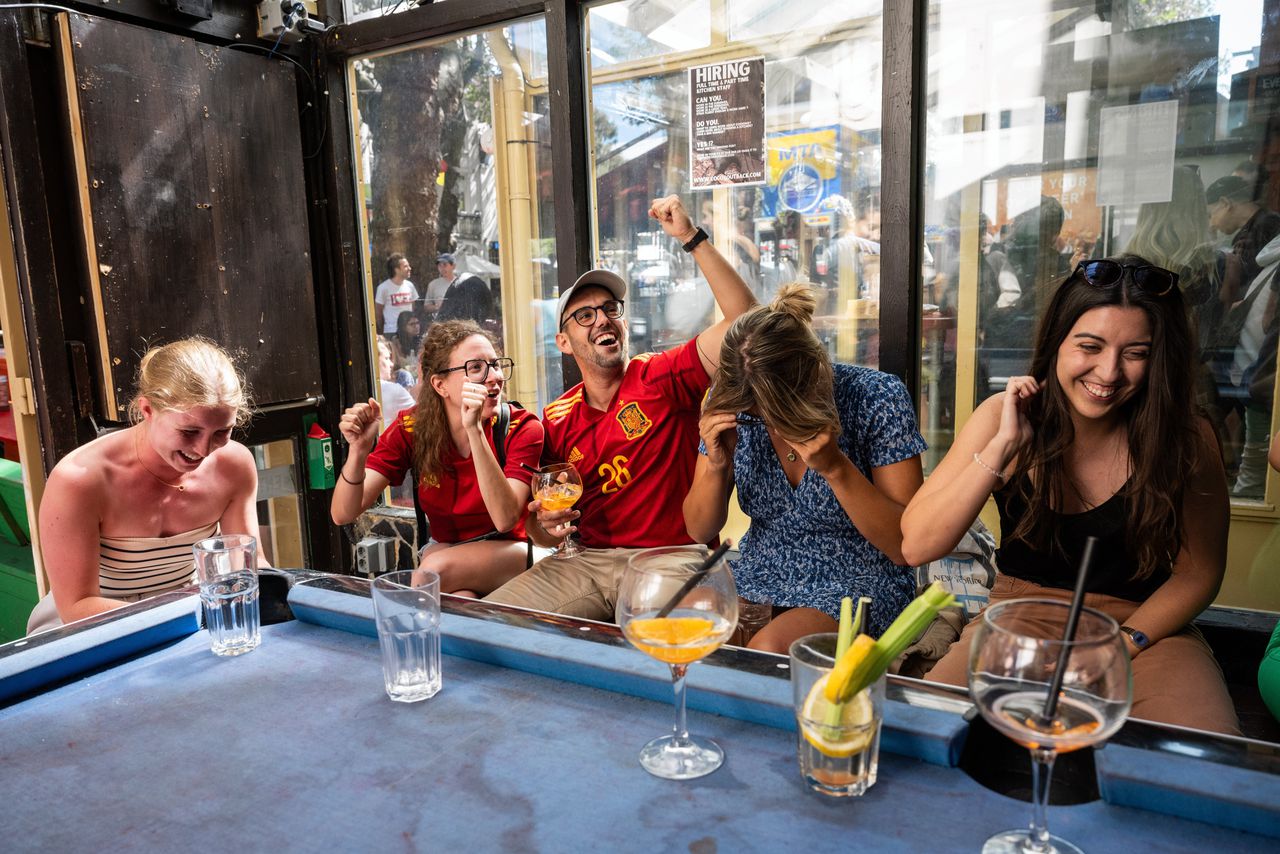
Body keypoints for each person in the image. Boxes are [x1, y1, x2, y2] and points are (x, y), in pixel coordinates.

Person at [901, 255, 1240, 735]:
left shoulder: (1186, 436)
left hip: (1145, 626)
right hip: (1019, 615)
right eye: (1090, 345)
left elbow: (1199, 572)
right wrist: (1001, 449)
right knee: (924, 734)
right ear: (1057, 341)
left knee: (1202, 761)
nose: (1108, 372)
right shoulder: (1003, 415)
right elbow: (917, 544)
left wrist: (1124, 643)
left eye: (1136, 353)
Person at [484, 194, 756, 619]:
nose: (603, 320)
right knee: (484, 621)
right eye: (585, 316)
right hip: (585, 563)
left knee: (670, 649)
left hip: (670, 557)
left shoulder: (660, 376)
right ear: (562, 342)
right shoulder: (555, 418)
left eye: (610, 309)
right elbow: (541, 527)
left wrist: (690, 236)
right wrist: (547, 527)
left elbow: (746, 321)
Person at [683, 285, 925, 654]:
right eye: (755, 414)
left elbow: (904, 547)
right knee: (685, 628)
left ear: (816, 372)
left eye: (780, 409)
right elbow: (699, 529)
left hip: (861, 578)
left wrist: (836, 469)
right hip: (760, 569)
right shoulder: (731, 405)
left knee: (770, 651)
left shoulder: (877, 396)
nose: (769, 423)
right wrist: (717, 465)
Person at [28, 338, 261, 633]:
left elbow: (249, 566)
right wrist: (188, 608)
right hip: (94, 626)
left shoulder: (234, 465)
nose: (203, 450)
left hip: (190, 615)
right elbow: (77, 606)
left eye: (222, 432)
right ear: (148, 409)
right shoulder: (80, 479)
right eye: (189, 431)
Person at [332, 321, 544, 598]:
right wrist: (358, 450)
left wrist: (474, 429)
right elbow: (342, 513)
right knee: (460, 601)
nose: (494, 377)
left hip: (512, 549)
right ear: (440, 385)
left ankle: (405, 639)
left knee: (433, 572)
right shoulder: (412, 428)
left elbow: (505, 520)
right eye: (477, 368)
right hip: (447, 549)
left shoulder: (522, 427)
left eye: (496, 364)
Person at [1205, 174, 1280, 284]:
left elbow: (1242, 281)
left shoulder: (1266, 226)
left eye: (1211, 215)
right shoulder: (1258, 227)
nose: (1211, 224)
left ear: (1225, 203)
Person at [374, 253, 419, 336]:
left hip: (408, 332)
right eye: (405, 266)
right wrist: (382, 331)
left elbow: (413, 308)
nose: (409, 268)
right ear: (396, 269)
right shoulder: (383, 288)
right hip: (392, 332)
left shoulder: (410, 285)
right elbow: (378, 313)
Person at [376, 339, 414, 432]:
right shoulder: (394, 390)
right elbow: (418, 424)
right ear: (375, 361)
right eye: (386, 358)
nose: (391, 364)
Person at [389, 312, 423, 388]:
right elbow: (398, 362)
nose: (416, 326)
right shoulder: (396, 341)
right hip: (404, 377)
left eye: (417, 323)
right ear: (403, 327)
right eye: (412, 324)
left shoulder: (420, 340)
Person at [423, 253, 459, 318]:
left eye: (445, 265)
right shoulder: (433, 284)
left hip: (458, 322)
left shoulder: (461, 283)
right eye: (439, 265)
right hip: (440, 323)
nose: (442, 268)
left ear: (453, 266)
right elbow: (426, 307)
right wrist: (437, 307)